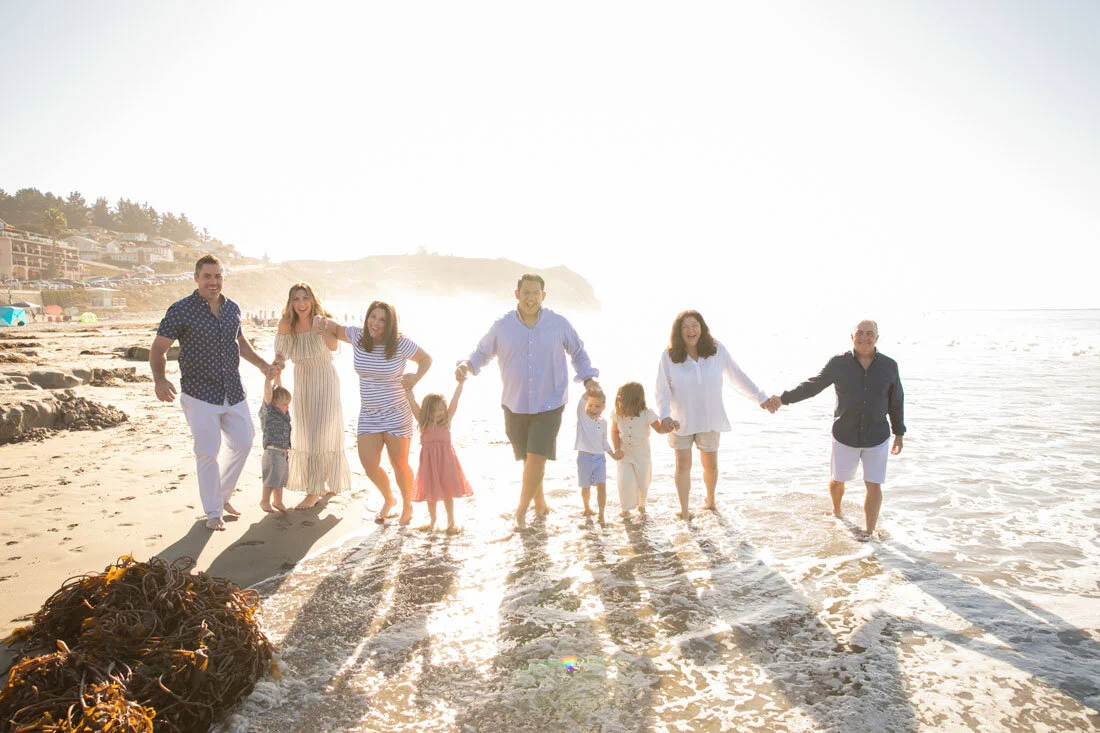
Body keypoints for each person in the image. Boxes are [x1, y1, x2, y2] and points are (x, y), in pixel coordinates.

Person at [456, 273, 602, 530]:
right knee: (529, 458)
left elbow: (578, 352)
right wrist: (467, 365)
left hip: (550, 402)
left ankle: (521, 512)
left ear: (543, 296)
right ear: (517, 294)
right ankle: (540, 503)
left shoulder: (558, 324)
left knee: (537, 456)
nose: (530, 298)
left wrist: (589, 379)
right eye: (526, 293)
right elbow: (482, 352)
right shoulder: (502, 326)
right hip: (515, 402)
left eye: (535, 293)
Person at [150, 255, 279, 531]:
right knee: (207, 452)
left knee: (244, 441)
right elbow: (159, 348)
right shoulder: (181, 309)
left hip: (233, 389)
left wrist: (262, 365)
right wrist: (160, 380)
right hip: (199, 393)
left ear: (223, 278)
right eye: (207, 276)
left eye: (218, 276)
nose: (213, 281)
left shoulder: (232, 308)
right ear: (196, 278)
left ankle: (221, 496)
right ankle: (213, 511)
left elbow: (240, 342)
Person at [765, 318, 905, 538]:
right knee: (838, 479)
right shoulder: (839, 363)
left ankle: (869, 532)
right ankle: (837, 512)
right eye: (860, 333)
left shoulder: (889, 366)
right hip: (844, 434)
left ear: (877, 338)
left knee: (874, 484)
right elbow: (813, 385)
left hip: (877, 435)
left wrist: (899, 432)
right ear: (852, 337)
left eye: (869, 333)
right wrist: (783, 399)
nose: (864, 337)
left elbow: (896, 400)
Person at [313, 302, 432, 525]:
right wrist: (321, 321)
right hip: (369, 413)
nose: (375, 323)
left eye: (382, 320)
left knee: (399, 463)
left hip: (396, 412)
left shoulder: (400, 343)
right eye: (372, 317)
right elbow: (334, 329)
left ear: (390, 324)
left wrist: (415, 379)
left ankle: (407, 505)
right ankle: (389, 498)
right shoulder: (358, 336)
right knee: (369, 463)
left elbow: (426, 359)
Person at [655, 310, 774, 520]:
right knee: (682, 466)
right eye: (685, 327)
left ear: (702, 327)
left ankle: (710, 502)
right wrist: (664, 416)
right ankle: (684, 510)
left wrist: (760, 397)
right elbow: (662, 389)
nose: (691, 331)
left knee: (710, 466)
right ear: (678, 332)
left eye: (695, 325)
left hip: (710, 417)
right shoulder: (669, 355)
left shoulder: (716, 350)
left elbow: (736, 375)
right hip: (679, 420)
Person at [273, 283, 352, 509]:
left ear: (312, 300)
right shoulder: (287, 324)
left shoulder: (323, 320)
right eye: (296, 299)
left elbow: (333, 346)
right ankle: (319, 484)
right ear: (290, 302)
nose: (301, 303)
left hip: (325, 379)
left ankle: (315, 490)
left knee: (322, 433)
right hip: (303, 381)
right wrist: (277, 368)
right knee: (308, 434)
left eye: (305, 298)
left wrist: (323, 329)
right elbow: (281, 354)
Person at [404, 377, 473, 533]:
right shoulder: (424, 423)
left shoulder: (446, 422)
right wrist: (408, 391)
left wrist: (460, 384)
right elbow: (413, 404)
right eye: (436, 410)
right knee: (431, 494)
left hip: (447, 463)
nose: (440, 413)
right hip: (429, 464)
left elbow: (455, 402)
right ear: (428, 411)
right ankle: (433, 520)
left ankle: (451, 521)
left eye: (442, 409)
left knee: (448, 492)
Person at [610, 382, 676, 518]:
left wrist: (670, 426)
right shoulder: (618, 414)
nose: (619, 401)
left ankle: (641, 505)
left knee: (643, 481)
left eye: (622, 398)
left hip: (642, 454)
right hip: (624, 453)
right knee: (624, 480)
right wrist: (617, 448)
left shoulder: (647, 414)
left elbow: (660, 429)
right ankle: (625, 509)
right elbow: (614, 431)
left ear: (632, 400)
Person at [574, 390, 620, 526]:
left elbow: (604, 440)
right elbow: (580, 405)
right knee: (586, 487)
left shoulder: (604, 422)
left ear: (603, 407)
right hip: (584, 458)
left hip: (600, 458)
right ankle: (587, 508)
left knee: (602, 486)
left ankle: (601, 514)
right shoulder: (583, 418)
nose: (593, 409)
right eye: (590, 405)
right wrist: (587, 393)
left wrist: (612, 454)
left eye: (597, 406)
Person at [259, 368, 292, 513]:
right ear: (275, 402)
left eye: (288, 404)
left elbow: (279, 389)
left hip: (283, 453)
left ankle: (278, 501)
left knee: (280, 480)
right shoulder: (270, 410)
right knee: (271, 479)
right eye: (285, 404)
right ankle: (265, 501)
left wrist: (278, 375)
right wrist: (269, 379)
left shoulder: (283, 412)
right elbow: (269, 393)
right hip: (273, 451)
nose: (287, 407)